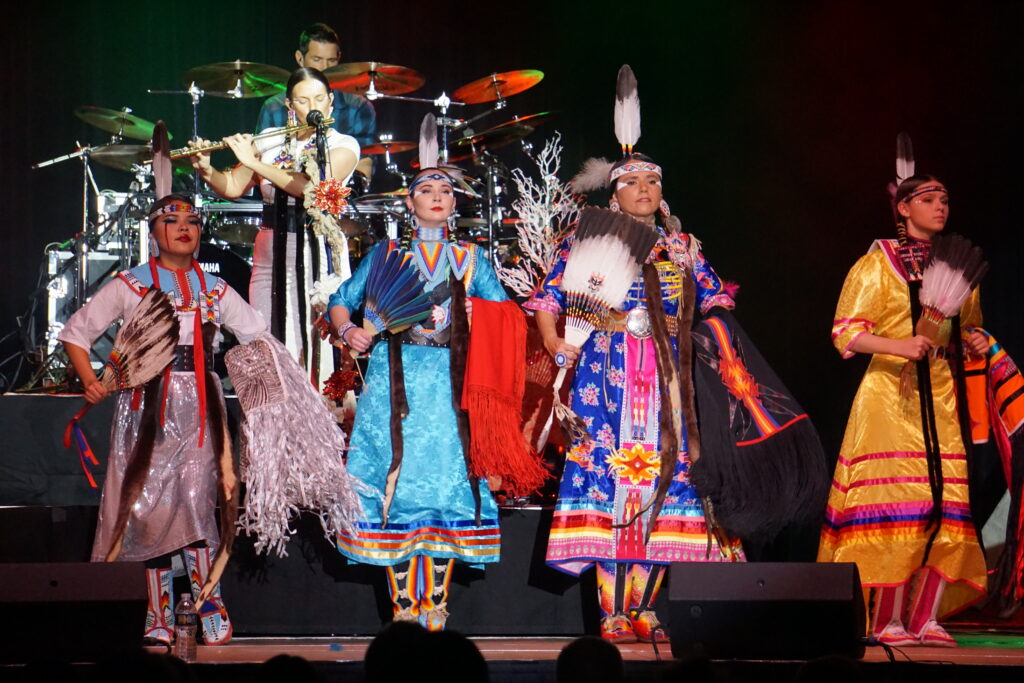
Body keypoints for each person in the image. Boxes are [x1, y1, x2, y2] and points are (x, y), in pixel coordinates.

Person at [526, 153, 743, 643]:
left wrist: (718, 336)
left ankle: (645, 606)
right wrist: (550, 339)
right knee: (611, 480)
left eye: (652, 181)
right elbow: (548, 297)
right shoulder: (591, 238)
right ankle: (611, 611)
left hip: (669, 376)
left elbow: (717, 297)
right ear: (614, 194)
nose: (644, 189)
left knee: (665, 481)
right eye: (634, 182)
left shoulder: (683, 247)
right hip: (606, 371)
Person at [59, 193, 268, 646]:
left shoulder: (214, 288)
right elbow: (75, 332)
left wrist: (269, 399)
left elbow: (255, 335)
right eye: (172, 220)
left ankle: (206, 596)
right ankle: (158, 609)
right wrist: (89, 379)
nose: (184, 226)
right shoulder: (130, 285)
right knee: (144, 507)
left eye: (193, 220)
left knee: (195, 501)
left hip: (200, 408)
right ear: (153, 232)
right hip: (145, 405)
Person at [327, 166, 509, 632]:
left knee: (445, 489)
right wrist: (349, 329)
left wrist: (486, 318)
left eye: (445, 191)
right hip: (394, 383)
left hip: (450, 386)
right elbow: (340, 300)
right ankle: (404, 606)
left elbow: (507, 315)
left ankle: (437, 607)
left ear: (454, 204)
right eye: (425, 190)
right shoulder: (387, 254)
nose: (436, 197)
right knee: (397, 488)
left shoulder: (471, 257)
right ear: (409, 203)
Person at [819, 174, 990, 647]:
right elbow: (845, 335)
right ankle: (885, 620)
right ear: (903, 208)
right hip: (889, 396)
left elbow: (969, 329)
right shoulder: (876, 265)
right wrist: (901, 345)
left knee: (945, 503)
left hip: (940, 393)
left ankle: (926, 616)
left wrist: (976, 340)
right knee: (898, 502)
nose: (941, 207)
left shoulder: (955, 267)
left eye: (946, 200)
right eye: (929, 199)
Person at [191, 67, 359, 386]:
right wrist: (207, 168)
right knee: (267, 342)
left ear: (331, 102)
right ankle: (271, 428)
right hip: (270, 258)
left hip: (317, 257)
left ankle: (319, 424)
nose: (313, 106)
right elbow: (231, 186)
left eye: (320, 98)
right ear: (290, 106)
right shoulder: (270, 143)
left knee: (314, 351)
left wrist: (254, 161)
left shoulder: (344, 144)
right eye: (303, 99)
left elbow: (310, 187)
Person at [257, 22, 376, 151]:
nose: (325, 68)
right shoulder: (273, 107)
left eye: (331, 60)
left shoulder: (359, 106)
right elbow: (261, 158)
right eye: (317, 59)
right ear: (300, 58)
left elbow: (365, 164)